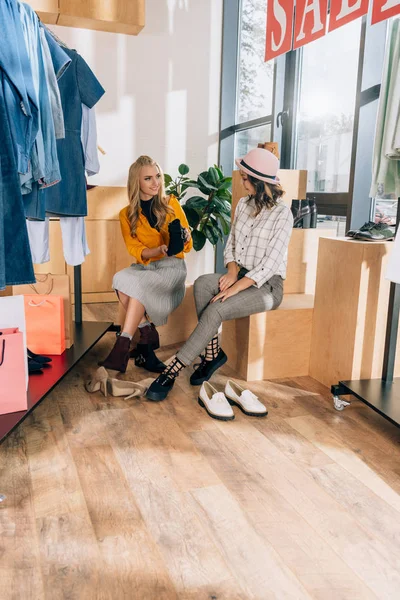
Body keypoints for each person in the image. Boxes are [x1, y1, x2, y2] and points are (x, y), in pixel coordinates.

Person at [146, 148, 293, 403]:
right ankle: (213, 355)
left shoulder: (282, 214)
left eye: (245, 178)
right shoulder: (243, 205)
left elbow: (270, 264)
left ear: (259, 182)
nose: (242, 182)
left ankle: (172, 371)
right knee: (204, 283)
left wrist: (234, 288)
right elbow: (232, 243)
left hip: (267, 285)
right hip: (241, 275)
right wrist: (233, 270)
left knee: (216, 309)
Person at [100, 155, 193, 373]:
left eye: (158, 176)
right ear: (137, 183)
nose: (156, 183)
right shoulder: (126, 214)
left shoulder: (171, 204)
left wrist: (185, 237)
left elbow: (185, 247)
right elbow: (134, 249)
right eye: (148, 178)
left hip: (172, 267)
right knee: (120, 279)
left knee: (135, 288)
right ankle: (146, 337)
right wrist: (156, 250)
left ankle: (123, 347)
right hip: (148, 266)